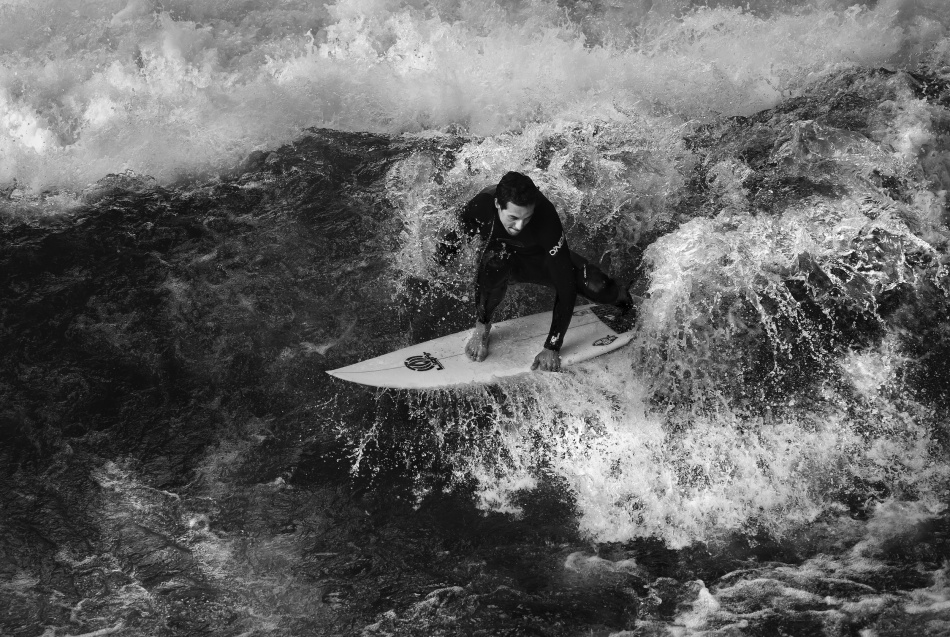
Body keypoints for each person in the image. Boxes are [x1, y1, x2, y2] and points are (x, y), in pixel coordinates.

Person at [435, 171, 633, 372]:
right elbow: (451, 242)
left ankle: (625, 297)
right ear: (497, 205)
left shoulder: (545, 215)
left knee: (599, 288)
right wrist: (442, 262)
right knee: (495, 259)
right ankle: (482, 326)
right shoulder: (480, 206)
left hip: (540, 261)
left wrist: (552, 346)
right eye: (513, 217)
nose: (519, 226)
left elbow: (566, 286)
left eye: (526, 218)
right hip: (503, 260)